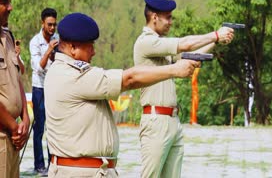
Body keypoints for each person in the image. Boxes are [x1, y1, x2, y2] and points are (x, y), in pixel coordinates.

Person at [44, 12, 199, 178]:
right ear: (73, 47)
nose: (94, 52)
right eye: (90, 46)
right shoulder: (72, 75)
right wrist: (174, 70)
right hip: (80, 172)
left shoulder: (62, 71)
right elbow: (129, 79)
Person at [133, 0, 235, 178]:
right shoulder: (146, 42)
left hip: (172, 120)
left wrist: (215, 41)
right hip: (156, 121)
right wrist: (216, 34)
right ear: (154, 17)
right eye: (168, 17)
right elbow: (185, 44)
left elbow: (189, 56)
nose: (171, 22)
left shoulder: (159, 45)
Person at [0, 0, 30, 178]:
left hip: (13, 136)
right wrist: (14, 127)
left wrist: (25, 119)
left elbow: (17, 78)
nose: (10, 7)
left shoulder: (7, 36)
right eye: (4, 2)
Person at [29, 7, 59, 176]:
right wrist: (48, 50)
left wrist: (56, 53)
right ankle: (39, 165)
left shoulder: (58, 39)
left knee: (53, 127)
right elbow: (38, 68)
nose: (52, 28)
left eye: (54, 25)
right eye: (49, 25)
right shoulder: (35, 42)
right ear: (42, 23)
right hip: (39, 87)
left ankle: (52, 164)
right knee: (39, 128)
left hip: (54, 87)